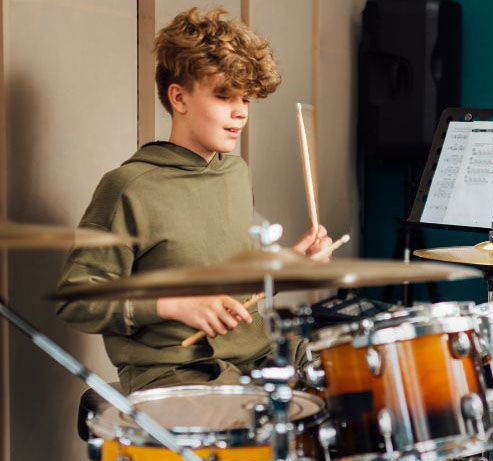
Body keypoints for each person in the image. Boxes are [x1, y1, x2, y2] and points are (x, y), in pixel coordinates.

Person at [56, 8, 331, 394]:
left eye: (246, 99)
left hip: (259, 354)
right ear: (179, 97)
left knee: (360, 384)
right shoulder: (129, 187)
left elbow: (234, 290)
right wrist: (172, 304)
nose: (240, 112)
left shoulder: (235, 173)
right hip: (179, 372)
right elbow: (75, 299)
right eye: (224, 96)